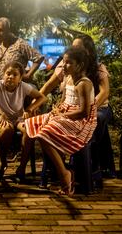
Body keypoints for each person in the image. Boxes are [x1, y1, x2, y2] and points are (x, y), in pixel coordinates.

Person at [40, 34, 115, 178]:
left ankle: (90, 167)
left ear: (88, 50)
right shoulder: (66, 65)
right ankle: (56, 167)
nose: (74, 49)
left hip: (100, 107)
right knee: (49, 122)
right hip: (72, 107)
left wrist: (90, 107)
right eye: (73, 46)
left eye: (78, 47)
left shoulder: (97, 68)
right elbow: (48, 86)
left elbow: (105, 92)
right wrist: (35, 102)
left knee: (95, 119)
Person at [25, 46, 97, 196]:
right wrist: (57, 110)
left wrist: (62, 117)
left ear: (80, 65)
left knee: (44, 133)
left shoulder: (84, 83)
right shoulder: (68, 78)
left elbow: (84, 112)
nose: (64, 65)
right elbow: (64, 100)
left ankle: (64, 174)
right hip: (66, 114)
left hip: (80, 121)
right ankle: (61, 169)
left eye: (69, 63)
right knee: (31, 125)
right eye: (63, 62)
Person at [0, 17, 44, 159]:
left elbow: (38, 58)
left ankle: (19, 144)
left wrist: (28, 74)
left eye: (1, 30)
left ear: (8, 30)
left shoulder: (20, 44)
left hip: (16, 84)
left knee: (28, 100)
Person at [0, 61, 46, 181]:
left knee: (30, 131)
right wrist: (0, 113)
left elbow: (41, 97)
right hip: (1, 118)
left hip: (18, 119)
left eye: (14, 75)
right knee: (6, 130)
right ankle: (3, 161)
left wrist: (29, 109)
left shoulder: (23, 86)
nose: (10, 77)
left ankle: (22, 166)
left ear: (20, 78)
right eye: (8, 73)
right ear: (3, 75)